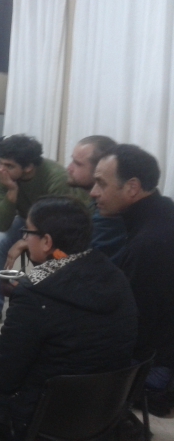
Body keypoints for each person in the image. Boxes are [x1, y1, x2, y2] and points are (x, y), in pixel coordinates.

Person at [0, 196, 137, 440]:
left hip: (39, 420)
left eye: (27, 232)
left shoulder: (35, 294)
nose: (24, 239)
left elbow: (2, 376)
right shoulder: (116, 277)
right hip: (103, 413)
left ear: (46, 241)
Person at [91, 144, 174, 416]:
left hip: (158, 365)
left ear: (132, 187)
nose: (94, 192)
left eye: (101, 183)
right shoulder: (162, 212)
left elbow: (134, 324)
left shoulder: (149, 243)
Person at [0, 135, 88, 317]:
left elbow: (58, 224)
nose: (2, 169)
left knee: (51, 250)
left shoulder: (56, 177)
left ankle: (50, 307)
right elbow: (1, 224)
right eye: (0, 163)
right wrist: (11, 191)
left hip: (57, 225)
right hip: (26, 220)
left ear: (28, 167)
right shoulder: (0, 176)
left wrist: (26, 241)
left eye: (9, 166)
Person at [4, 135, 126, 271]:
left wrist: (34, 246)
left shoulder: (107, 214)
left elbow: (77, 261)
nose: (69, 168)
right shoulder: (91, 203)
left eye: (77, 164)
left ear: (99, 169)